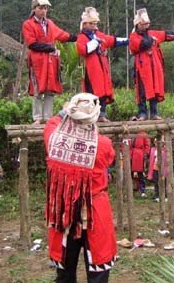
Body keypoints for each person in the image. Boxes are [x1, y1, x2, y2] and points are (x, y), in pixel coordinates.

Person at [44, 93, 116, 282]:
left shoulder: (53, 137)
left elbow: (53, 122)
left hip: (65, 212)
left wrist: (64, 110)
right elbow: (109, 158)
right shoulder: (103, 144)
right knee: (98, 271)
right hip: (95, 212)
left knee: (65, 270)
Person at [22, 0, 78, 124]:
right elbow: (32, 44)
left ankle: (47, 118)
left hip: (51, 61)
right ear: (34, 8)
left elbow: (62, 35)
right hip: (37, 62)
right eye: (41, 8)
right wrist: (50, 47)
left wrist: (77, 37)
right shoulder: (28, 24)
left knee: (49, 90)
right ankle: (37, 118)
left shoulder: (50, 24)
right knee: (37, 90)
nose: (44, 11)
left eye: (46, 8)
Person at [129, 8, 174, 121]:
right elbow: (140, 45)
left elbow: (166, 35)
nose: (146, 27)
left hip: (154, 68)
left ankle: (154, 113)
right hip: (142, 69)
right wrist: (151, 40)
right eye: (143, 24)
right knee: (142, 91)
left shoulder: (152, 33)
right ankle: (142, 113)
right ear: (138, 24)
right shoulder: (134, 36)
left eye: (147, 24)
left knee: (155, 89)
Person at [76, 7, 129, 122]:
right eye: (92, 24)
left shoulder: (98, 34)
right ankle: (92, 116)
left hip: (102, 69)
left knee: (103, 91)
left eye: (95, 24)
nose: (94, 26)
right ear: (85, 24)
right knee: (91, 93)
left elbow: (113, 40)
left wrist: (128, 40)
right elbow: (83, 50)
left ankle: (102, 115)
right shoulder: (81, 37)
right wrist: (95, 43)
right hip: (91, 70)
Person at [127, 129, 150, 198]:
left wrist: (145, 153)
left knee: (141, 174)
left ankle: (142, 191)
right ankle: (130, 191)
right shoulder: (128, 133)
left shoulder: (143, 133)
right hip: (131, 155)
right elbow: (125, 144)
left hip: (140, 156)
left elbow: (147, 144)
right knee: (130, 174)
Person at [148, 138, 167, 202]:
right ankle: (157, 196)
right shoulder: (153, 150)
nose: (158, 143)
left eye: (159, 142)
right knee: (156, 183)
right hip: (155, 168)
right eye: (156, 142)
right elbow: (151, 160)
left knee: (163, 182)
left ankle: (165, 196)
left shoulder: (164, 149)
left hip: (163, 169)